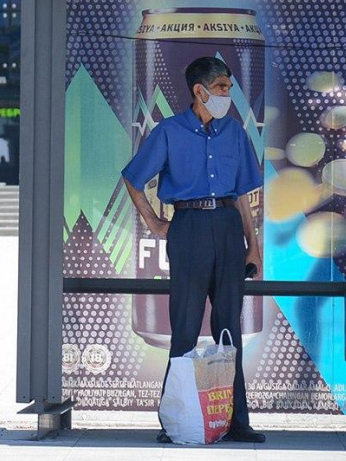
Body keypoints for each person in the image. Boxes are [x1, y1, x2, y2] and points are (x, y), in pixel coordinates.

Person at [121, 57, 265, 443]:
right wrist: (154, 223)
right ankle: (175, 420)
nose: (227, 94)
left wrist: (254, 246)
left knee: (229, 327)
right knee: (184, 327)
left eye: (228, 87)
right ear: (199, 91)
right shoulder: (168, 132)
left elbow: (242, 196)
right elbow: (133, 179)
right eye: (221, 87)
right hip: (188, 226)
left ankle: (236, 420)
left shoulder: (234, 132)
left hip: (228, 226)